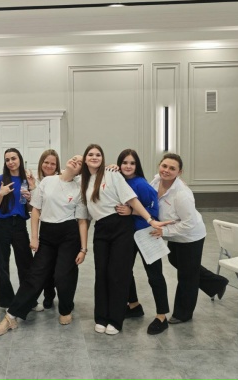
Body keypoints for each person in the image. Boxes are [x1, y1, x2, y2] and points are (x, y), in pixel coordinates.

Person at [0, 155, 88, 335]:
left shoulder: (79, 188)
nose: (75, 161)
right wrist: (34, 237)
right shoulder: (48, 181)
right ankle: (11, 317)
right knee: (35, 275)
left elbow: (82, 221)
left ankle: (66, 309)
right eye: (74, 158)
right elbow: (35, 209)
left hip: (69, 235)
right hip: (47, 234)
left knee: (62, 274)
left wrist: (83, 248)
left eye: (80, 163)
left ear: (80, 171)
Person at [81, 144, 166, 336]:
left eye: (98, 154)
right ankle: (101, 317)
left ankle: (116, 319)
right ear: (85, 159)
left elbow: (134, 201)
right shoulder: (83, 180)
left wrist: (150, 220)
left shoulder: (113, 175)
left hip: (124, 227)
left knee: (118, 274)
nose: (94, 157)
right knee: (101, 273)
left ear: (103, 158)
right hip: (101, 228)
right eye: (90, 154)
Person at [150, 153, 228, 323]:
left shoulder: (182, 194)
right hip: (174, 233)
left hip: (190, 236)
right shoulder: (156, 181)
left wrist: (164, 231)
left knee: (187, 275)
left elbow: (189, 223)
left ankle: (183, 314)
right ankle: (216, 282)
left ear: (179, 172)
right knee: (176, 261)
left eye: (172, 168)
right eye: (164, 166)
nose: (166, 170)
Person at [114, 149, 169, 335]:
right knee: (125, 271)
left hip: (147, 234)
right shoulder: (119, 180)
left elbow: (153, 212)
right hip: (128, 235)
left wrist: (132, 211)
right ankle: (134, 305)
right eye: (124, 162)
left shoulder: (141, 184)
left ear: (137, 165)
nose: (128, 166)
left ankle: (162, 316)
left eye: (132, 163)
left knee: (155, 276)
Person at [0, 148, 43, 311]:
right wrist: (1, 194)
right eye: (7, 160)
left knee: (25, 263)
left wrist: (30, 197)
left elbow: (32, 208)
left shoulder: (26, 180)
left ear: (20, 159)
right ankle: (7, 301)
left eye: (14, 158)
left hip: (20, 225)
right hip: (2, 225)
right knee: (2, 265)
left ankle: (29, 300)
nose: (11, 162)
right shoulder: (0, 180)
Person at [31, 149, 61, 309]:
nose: (49, 166)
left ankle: (64, 295)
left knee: (60, 267)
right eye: (46, 162)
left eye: (53, 163)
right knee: (46, 266)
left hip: (63, 228)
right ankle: (49, 294)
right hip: (45, 228)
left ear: (57, 166)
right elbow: (34, 207)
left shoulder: (62, 179)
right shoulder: (34, 181)